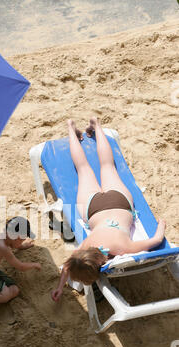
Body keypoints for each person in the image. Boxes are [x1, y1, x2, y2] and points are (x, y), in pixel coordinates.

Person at [51, 117, 166, 302]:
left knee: (102, 166)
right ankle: (77, 127)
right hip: (93, 208)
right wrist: (59, 286)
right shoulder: (84, 248)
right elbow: (67, 266)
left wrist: (161, 223)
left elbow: (156, 240)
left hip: (120, 202)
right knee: (85, 168)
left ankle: (93, 127)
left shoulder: (122, 249)